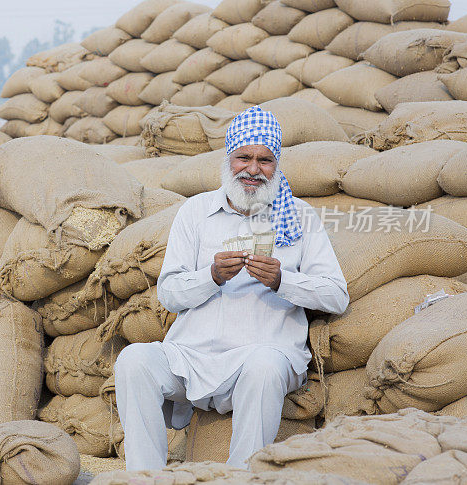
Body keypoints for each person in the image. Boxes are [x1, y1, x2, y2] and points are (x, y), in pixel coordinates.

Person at [114, 106, 349, 470]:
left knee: (265, 366)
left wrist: (282, 280)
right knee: (134, 360)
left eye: (264, 160)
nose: (253, 169)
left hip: (263, 353)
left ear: (277, 165)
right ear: (228, 159)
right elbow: (169, 292)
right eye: (244, 157)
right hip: (192, 357)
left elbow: (336, 295)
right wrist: (211, 276)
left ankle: (243, 477)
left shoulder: (299, 217)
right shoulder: (194, 212)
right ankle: (145, 477)